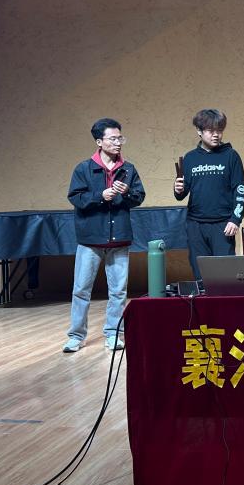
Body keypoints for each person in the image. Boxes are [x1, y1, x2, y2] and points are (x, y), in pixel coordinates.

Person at [62, 118, 145, 353]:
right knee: (81, 289)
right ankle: (76, 336)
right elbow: (75, 198)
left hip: (119, 239)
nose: (118, 143)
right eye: (113, 138)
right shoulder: (84, 168)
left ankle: (114, 334)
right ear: (99, 142)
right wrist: (101, 195)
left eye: (120, 138)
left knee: (118, 291)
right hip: (90, 240)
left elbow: (139, 197)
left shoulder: (128, 169)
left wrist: (126, 193)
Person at [174, 109, 244, 280]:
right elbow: (182, 193)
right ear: (199, 131)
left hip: (223, 225)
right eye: (210, 131)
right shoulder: (190, 158)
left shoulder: (231, 156)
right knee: (201, 276)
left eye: (219, 130)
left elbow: (240, 189)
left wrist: (235, 219)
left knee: (226, 277)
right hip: (195, 225)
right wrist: (178, 189)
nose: (216, 135)